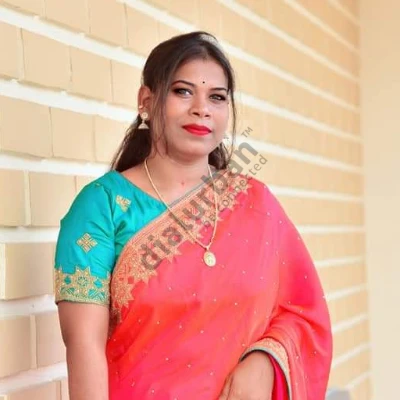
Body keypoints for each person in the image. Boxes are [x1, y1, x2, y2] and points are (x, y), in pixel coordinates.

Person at [55, 31, 332, 400]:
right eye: (183, 91)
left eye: (217, 97)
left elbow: (304, 313)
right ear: (146, 100)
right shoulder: (101, 207)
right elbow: (84, 347)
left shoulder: (256, 203)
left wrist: (265, 361)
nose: (202, 108)